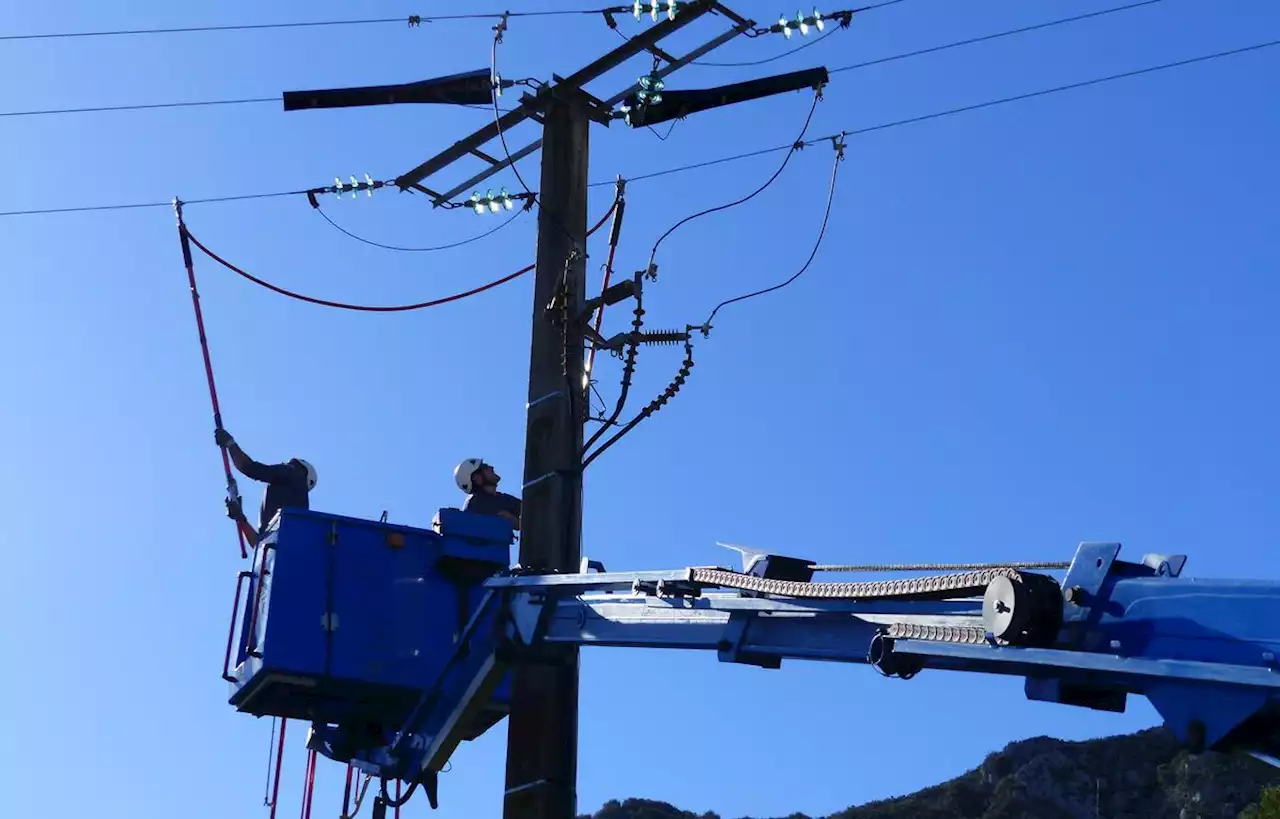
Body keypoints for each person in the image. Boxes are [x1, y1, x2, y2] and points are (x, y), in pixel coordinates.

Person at [216, 427, 317, 548]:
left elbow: (250, 468)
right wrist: (240, 517)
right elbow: (260, 547)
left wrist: (230, 443)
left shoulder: (294, 473)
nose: (284, 464)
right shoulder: (291, 525)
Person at [453, 458, 521, 530]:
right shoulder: (476, 503)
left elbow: (527, 508)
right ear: (477, 478)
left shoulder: (501, 498)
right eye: (485, 466)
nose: (491, 467)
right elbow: (505, 517)